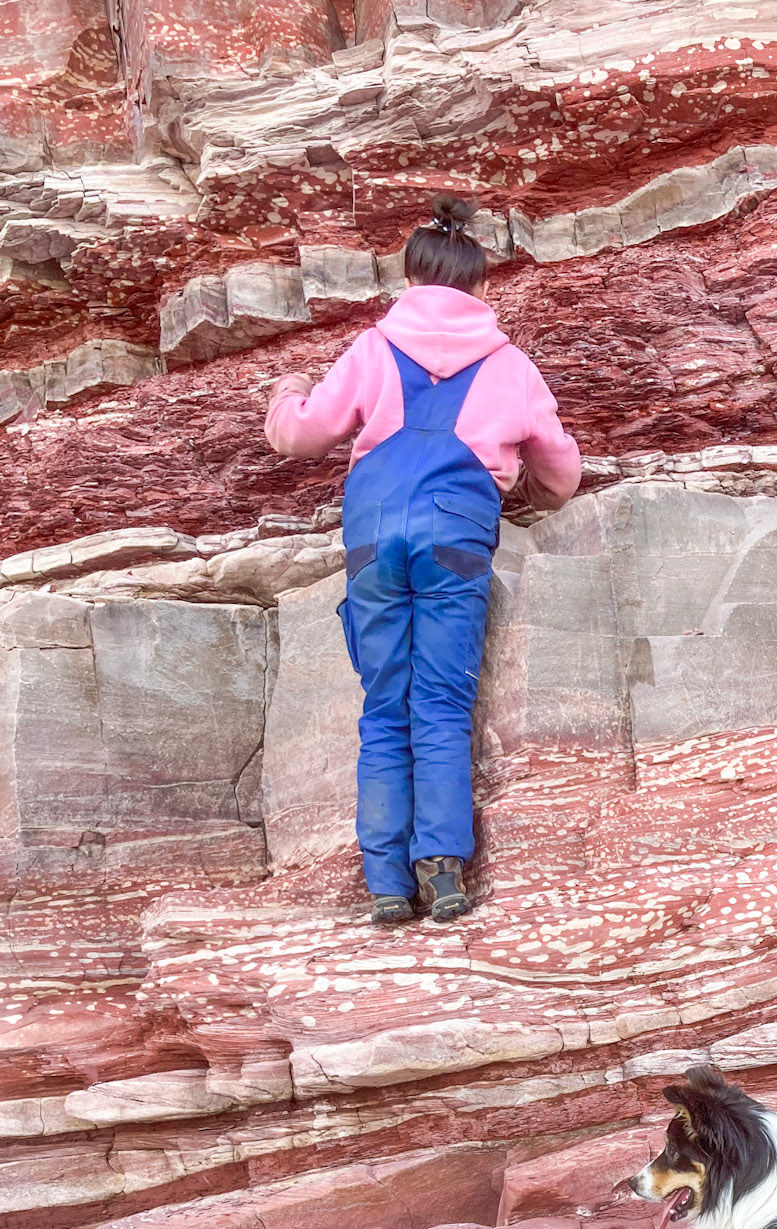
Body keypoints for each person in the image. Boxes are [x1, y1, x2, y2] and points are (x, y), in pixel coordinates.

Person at [263, 196, 582, 924]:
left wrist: (286, 393)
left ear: (409, 280)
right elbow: (562, 477)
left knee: (384, 710)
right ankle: (441, 873)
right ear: (480, 289)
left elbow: (304, 435)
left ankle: (384, 885)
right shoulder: (509, 365)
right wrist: (518, 482)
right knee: (440, 706)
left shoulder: (373, 350)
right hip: (455, 543)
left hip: (374, 541)